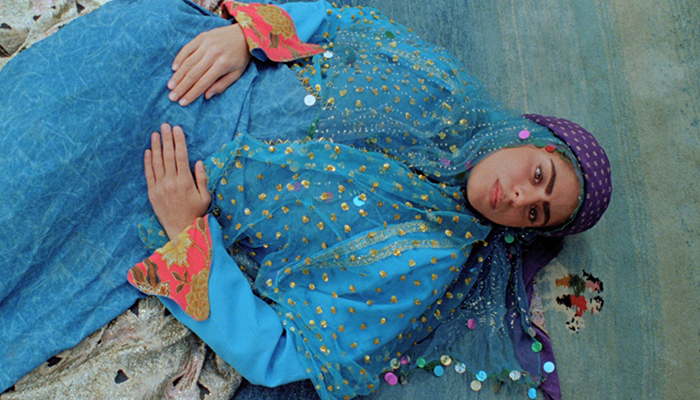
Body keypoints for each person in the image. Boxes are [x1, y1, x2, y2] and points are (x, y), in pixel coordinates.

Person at [0, 1, 612, 399]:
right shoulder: (441, 86)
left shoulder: (426, 263)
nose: (519, 196)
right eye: (539, 175)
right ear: (525, 136)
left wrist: (189, 234)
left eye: (536, 213)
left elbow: (285, 352)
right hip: (180, 67)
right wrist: (246, 36)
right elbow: (339, 23)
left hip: (164, 194)